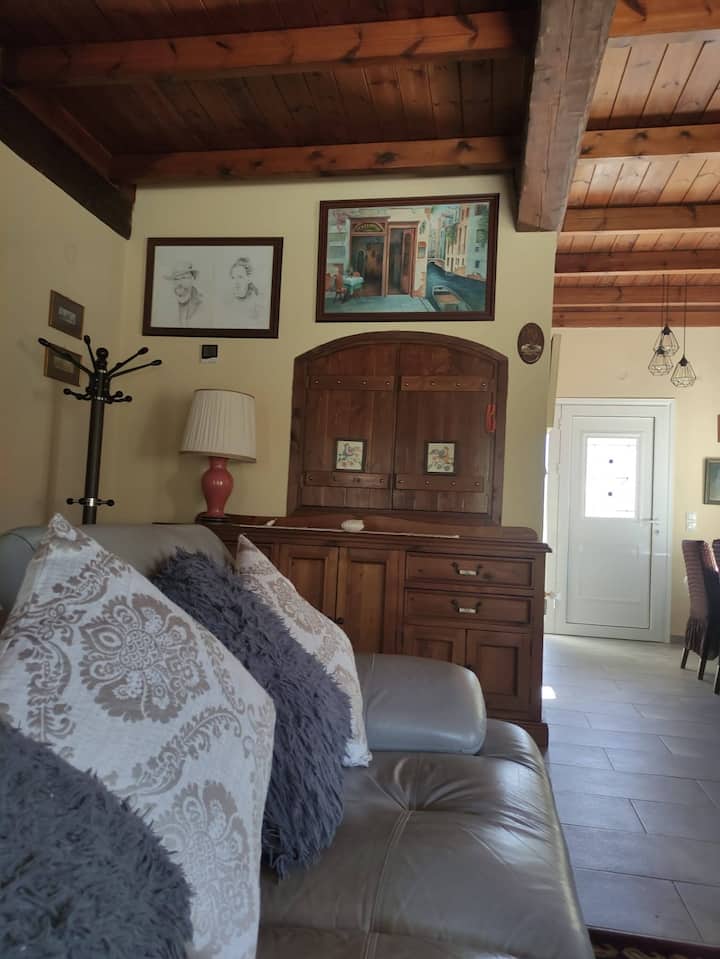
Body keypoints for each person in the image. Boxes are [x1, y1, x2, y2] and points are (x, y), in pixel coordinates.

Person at [163, 260, 203, 325]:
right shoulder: (165, 304)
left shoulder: (203, 303)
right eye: (176, 279)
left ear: (193, 279)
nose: (179, 283)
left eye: (184, 278)